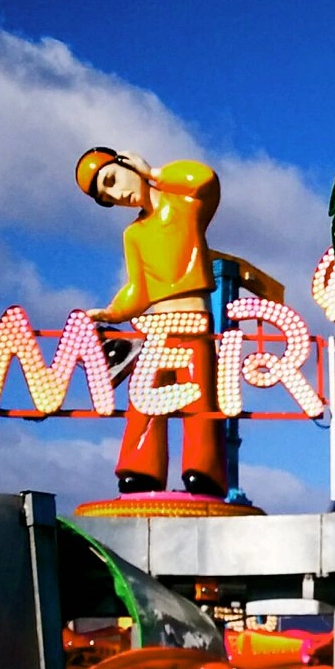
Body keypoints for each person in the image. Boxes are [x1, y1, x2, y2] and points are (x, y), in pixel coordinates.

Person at [75, 147, 226, 496]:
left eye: (112, 179)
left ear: (126, 164)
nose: (117, 194)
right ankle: (140, 469)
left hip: (194, 321)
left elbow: (204, 178)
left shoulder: (186, 205)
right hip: (157, 326)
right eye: (107, 197)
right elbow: (138, 290)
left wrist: (153, 171)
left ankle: (204, 470)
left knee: (199, 396)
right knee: (144, 398)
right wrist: (110, 312)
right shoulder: (134, 234)